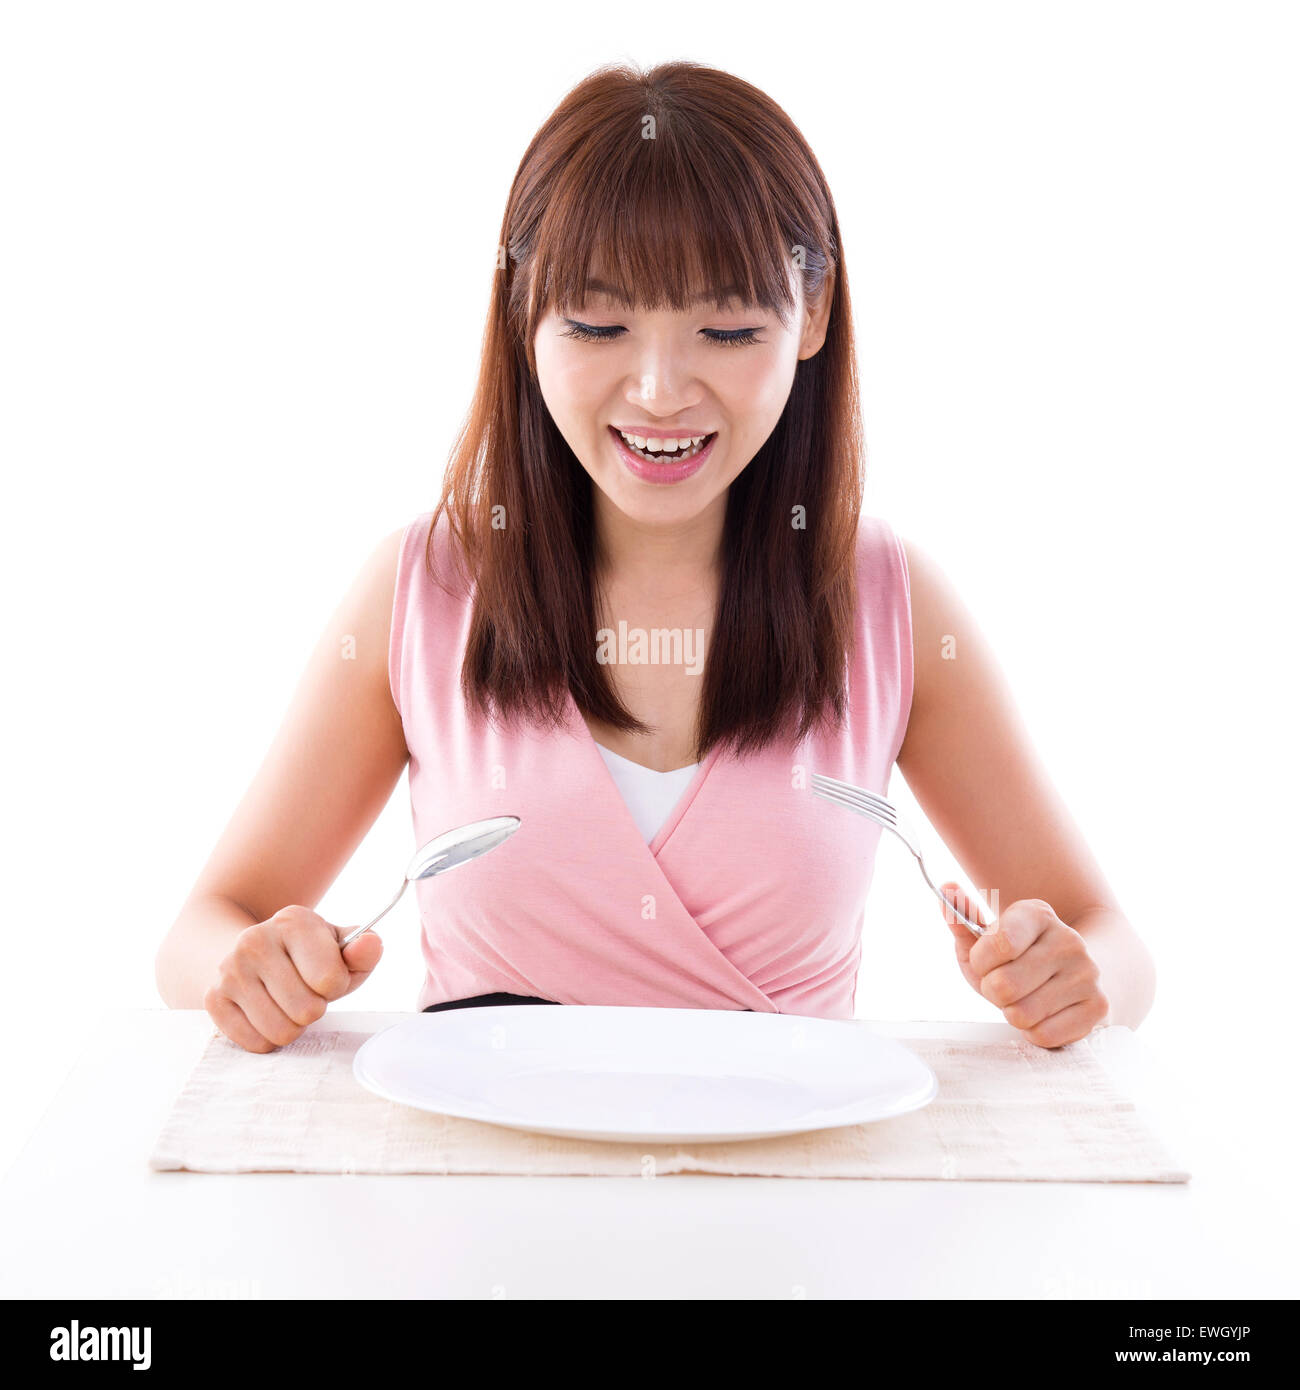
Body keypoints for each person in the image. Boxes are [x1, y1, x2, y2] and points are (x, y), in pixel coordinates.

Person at [155, 61, 1155, 1054]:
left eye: (724, 328)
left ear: (810, 315)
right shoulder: (425, 588)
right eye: (597, 323)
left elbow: (1112, 946)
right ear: (523, 313)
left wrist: (1074, 978)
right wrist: (247, 971)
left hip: (790, 1194)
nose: (659, 389)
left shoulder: (884, 599)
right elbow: (203, 930)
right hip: (485, 1194)